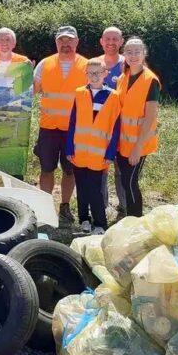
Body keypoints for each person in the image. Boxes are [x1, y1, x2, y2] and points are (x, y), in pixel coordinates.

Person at [32, 25, 89, 222]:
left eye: (69, 40)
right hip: (48, 128)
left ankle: (65, 206)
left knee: (70, 169)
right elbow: (31, 90)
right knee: (46, 169)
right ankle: (45, 206)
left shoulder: (87, 66)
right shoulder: (44, 64)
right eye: (61, 41)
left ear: (77, 42)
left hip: (74, 129)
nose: (65, 44)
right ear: (56, 42)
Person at [66, 58, 121, 235]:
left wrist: (111, 153)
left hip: (99, 153)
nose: (94, 76)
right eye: (90, 73)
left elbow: (116, 127)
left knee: (95, 189)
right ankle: (84, 220)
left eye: (98, 72)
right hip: (79, 152)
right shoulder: (80, 93)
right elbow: (73, 122)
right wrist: (69, 147)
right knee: (81, 187)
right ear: (86, 75)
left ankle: (100, 224)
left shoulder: (113, 97)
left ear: (106, 73)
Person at [115, 37, 160, 217]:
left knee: (130, 182)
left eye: (137, 52)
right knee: (125, 182)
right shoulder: (122, 77)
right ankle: (130, 217)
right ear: (124, 54)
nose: (133, 55)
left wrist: (138, 148)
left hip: (139, 144)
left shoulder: (151, 81)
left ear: (144, 54)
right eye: (129, 52)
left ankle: (136, 220)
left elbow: (150, 117)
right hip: (123, 142)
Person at [96, 26, 127, 216]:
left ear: (121, 42)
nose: (111, 43)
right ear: (101, 41)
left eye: (115, 39)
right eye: (108, 39)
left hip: (122, 125)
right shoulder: (94, 64)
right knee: (100, 167)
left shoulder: (128, 63)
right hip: (99, 125)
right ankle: (102, 206)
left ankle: (125, 205)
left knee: (121, 168)